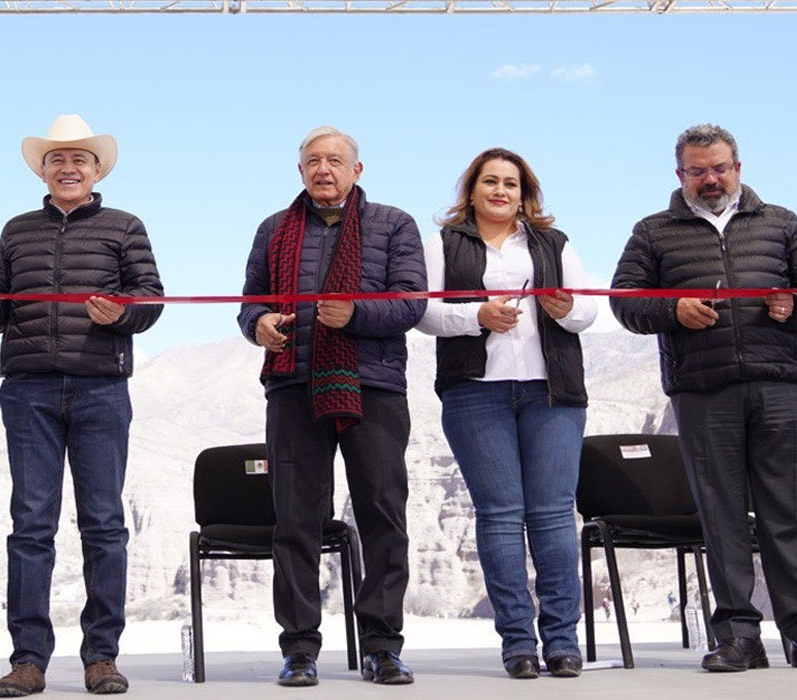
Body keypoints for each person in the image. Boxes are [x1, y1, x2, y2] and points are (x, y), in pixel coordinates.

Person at [0, 115, 162, 697]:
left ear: (97, 169)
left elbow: (150, 298)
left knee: (104, 525)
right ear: (43, 170)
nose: (68, 167)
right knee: (31, 527)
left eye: (79, 159)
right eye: (56, 159)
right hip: (28, 392)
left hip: (102, 389)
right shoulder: (16, 229)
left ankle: (102, 657)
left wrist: (121, 314)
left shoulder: (126, 227)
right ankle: (28, 660)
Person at [237, 126, 425, 687]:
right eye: (313, 161)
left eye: (335, 160)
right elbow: (250, 300)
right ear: (300, 172)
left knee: (382, 514)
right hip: (293, 384)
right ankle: (299, 649)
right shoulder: (273, 229)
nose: (324, 169)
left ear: (357, 170)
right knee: (295, 519)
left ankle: (382, 647)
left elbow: (411, 301)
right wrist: (258, 325)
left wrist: (357, 317)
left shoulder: (394, 224)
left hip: (374, 387)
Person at [612, 123, 797, 672]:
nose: (711, 178)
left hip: (780, 384)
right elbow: (625, 302)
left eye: (719, 168)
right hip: (702, 391)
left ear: (738, 167)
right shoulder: (653, 231)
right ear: (681, 176)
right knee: (719, 516)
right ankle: (739, 637)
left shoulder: (782, 222)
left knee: (787, 511)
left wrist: (793, 305)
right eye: (698, 171)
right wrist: (672, 311)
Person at [416, 147, 597, 679]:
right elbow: (422, 311)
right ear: (471, 190)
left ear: (525, 193)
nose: (500, 191)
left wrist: (567, 308)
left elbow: (587, 307)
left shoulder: (553, 243)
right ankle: (518, 644)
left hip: (551, 391)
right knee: (499, 516)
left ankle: (562, 642)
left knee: (553, 516)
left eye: (511, 184)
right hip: (476, 392)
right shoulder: (443, 243)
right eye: (490, 181)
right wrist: (478, 315)